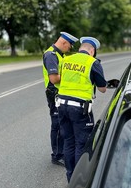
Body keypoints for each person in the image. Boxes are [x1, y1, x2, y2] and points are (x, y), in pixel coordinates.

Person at [56, 37, 107, 182]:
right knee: (81, 144)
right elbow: (102, 88)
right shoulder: (93, 62)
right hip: (79, 109)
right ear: (92, 51)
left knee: (68, 141)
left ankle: (70, 177)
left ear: (80, 48)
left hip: (62, 105)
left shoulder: (66, 60)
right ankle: (79, 181)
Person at [42, 31, 79, 166]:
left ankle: (63, 151)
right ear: (64, 42)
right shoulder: (51, 55)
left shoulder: (59, 55)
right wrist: (70, 76)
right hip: (54, 94)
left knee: (62, 124)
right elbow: (54, 78)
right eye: (69, 45)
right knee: (57, 125)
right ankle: (57, 155)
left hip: (59, 94)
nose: (69, 48)